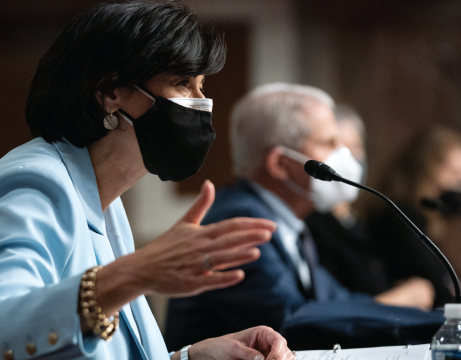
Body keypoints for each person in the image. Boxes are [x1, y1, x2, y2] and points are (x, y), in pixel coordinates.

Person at [0, 2, 294, 360]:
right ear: (111, 93)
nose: (203, 102)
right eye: (183, 84)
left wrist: (189, 357)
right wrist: (136, 273)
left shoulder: (106, 201)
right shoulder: (34, 185)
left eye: (201, 85)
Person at [165, 83, 442, 351]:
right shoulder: (238, 220)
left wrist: (437, 318)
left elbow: (337, 301)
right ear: (280, 164)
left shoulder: (291, 221)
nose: (345, 155)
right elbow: (293, 321)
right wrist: (435, 322)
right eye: (329, 143)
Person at [304, 105, 395, 295]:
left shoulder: (358, 220)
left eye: (356, 147)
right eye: (339, 148)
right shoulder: (311, 224)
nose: (350, 157)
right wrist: (394, 300)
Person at [369, 126, 461, 307]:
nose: (456, 187)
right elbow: (438, 287)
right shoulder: (400, 219)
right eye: (453, 173)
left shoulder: (423, 223)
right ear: (425, 169)